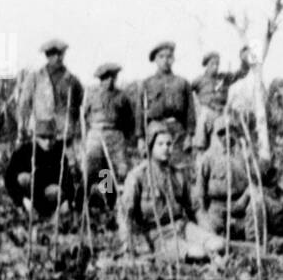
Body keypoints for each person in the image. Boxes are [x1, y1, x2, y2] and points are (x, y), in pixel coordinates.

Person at [118, 120, 224, 261]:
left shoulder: (178, 175)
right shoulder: (137, 176)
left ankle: (204, 251)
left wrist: (208, 232)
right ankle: (197, 253)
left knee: (218, 244)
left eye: (169, 144)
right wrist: (128, 242)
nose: (166, 148)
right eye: (160, 144)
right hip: (158, 235)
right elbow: (125, 213)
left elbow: (195, 208)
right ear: (150, 146)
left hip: (182, 227)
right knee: (198, 253)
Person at [81, 62, 136, 205]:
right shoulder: (92, 95)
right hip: (96, 133)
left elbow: (129, 118)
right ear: (100, 79)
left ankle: (111, 202)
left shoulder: (121, 97)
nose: (110, 81)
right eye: (106, 78)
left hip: (115, 134)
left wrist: (124, 136)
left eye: (113, 77)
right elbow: (85, 116)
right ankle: (83, 202)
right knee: (91, 167)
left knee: (114, 168)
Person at [137, 41, 194, 170]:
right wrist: (140, 138)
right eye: (161, 57)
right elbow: (139, 112)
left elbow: (190, 111)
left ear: (173, 59)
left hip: (177, 131)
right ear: (155, 60)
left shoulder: (182, 83)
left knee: (179, 168)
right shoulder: (147, 83)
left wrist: (189, 136)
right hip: (154, 130)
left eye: (169, 57)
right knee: (154, 168)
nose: (165, 60)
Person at [3, 119, 77, 219]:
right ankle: (28, 212)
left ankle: (51, 213)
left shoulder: (58, 153)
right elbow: (9, 178)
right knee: (23, 178)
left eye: (50, 138)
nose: (47, 142)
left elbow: (68, 181)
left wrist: (66, 201)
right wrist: (22, 200)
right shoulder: (24, 151)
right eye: (43, 137)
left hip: (50, 197)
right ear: (35, 137)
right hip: (30, 197)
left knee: (57, 191)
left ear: (55, 137)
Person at [16, 39, 83, 146]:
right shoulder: (35, 78)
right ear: (47, 56)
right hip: (41, 133)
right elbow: (24, 105)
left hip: (64, 133)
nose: (57, 57)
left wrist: (72, 122)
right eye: (52, 54)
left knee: (66, 161)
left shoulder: (72, 81)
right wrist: (22, 128)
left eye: (60, 54)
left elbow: (81, 105)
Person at [189, 48, 252, 152]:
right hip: (207, 111)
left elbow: (240, 73)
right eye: (212, 64)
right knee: (203, 117)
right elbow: (187, 91)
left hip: (222, 112)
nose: (215, 66)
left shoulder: (224, 78)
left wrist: (244, 60)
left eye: (217, 64)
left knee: (230, 126)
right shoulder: (199, 80)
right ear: (206, 65)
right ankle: (199, 147)